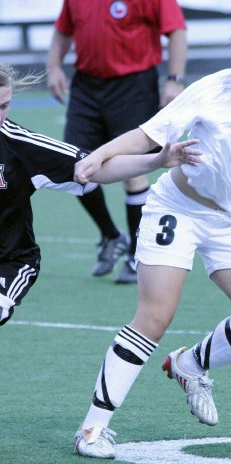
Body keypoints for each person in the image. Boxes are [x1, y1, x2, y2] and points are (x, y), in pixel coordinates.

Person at [71, 6, 231, 459]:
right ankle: (93, 429)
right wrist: (99, 155)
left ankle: (191, 364)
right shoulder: (213, 89)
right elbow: (150, 135)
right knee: (155, 316)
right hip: (177, 208)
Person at [0, 62, 200, 327]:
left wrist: (156, 161)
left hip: (8, 262)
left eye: (4, 105)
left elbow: (95, 168)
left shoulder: (20, 146)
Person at [47, 0, 187, 283]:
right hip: (86, 86)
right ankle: (111, 235)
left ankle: (139, 254)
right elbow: (64, 27)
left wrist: (173, 80)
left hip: (133, 84)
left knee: (133, 171)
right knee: (73, 167)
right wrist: (53, 67)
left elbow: (176, 29)